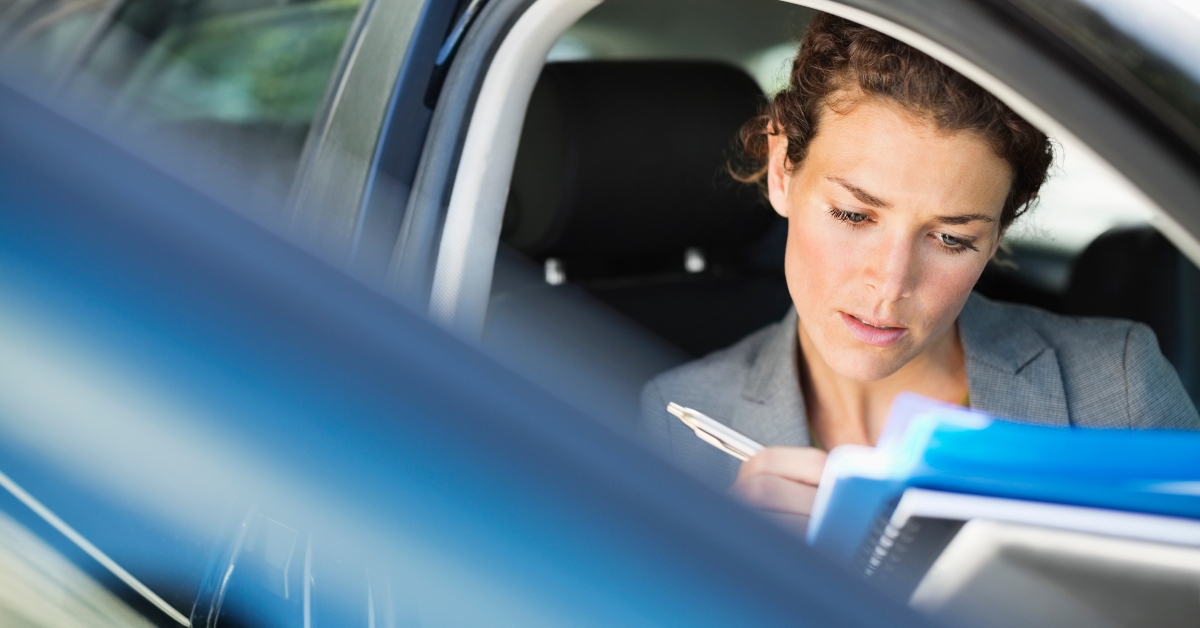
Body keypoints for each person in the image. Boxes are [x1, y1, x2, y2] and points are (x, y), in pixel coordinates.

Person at [640, 13, 1200, 533]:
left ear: (998, 234)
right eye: (854, 215)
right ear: (783, 169)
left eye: (952, 239)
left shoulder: (1117, 392)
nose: (889, 284)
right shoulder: (682, 422)